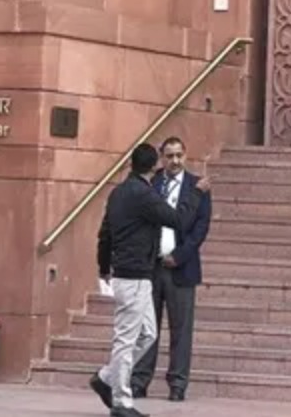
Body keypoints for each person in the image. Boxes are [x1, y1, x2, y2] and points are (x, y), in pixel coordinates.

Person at [89, 143, 181, 417]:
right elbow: (174, 218)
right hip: (133, 275)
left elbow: (105, 233)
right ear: (154, 166)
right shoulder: (143, 194)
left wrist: (103, 266)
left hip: (133, 274)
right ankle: (121, 402)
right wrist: (197, 194)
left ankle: (106, 378)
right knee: (126, 340)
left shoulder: (118, 192)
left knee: (148, 333)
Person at [130, 137, 212, 402]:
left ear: (185, 155)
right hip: (151, 267)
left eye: (179, 155)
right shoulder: (151, 183)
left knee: (181, 330)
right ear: (161, 158)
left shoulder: (197, 186)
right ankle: (139, 380)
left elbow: (200, 228)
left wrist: (179, 256)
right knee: (147, 328)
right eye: (169, 156)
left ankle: (177, 384)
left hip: (181, 267)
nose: (175, 161)